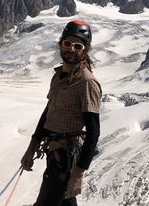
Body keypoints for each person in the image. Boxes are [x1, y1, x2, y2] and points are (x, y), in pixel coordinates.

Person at [21, 20, 102, 206]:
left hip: (67, 158)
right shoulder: (58, 76)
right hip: (55, 152)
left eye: (78, 45)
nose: (71, 49)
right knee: (64, 201)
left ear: (85, 50)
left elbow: (93, 132)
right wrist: (31, 147)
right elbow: (49, 111)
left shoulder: (87, 82)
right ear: (60, 43)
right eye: (67, 43)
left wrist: (79, 173)